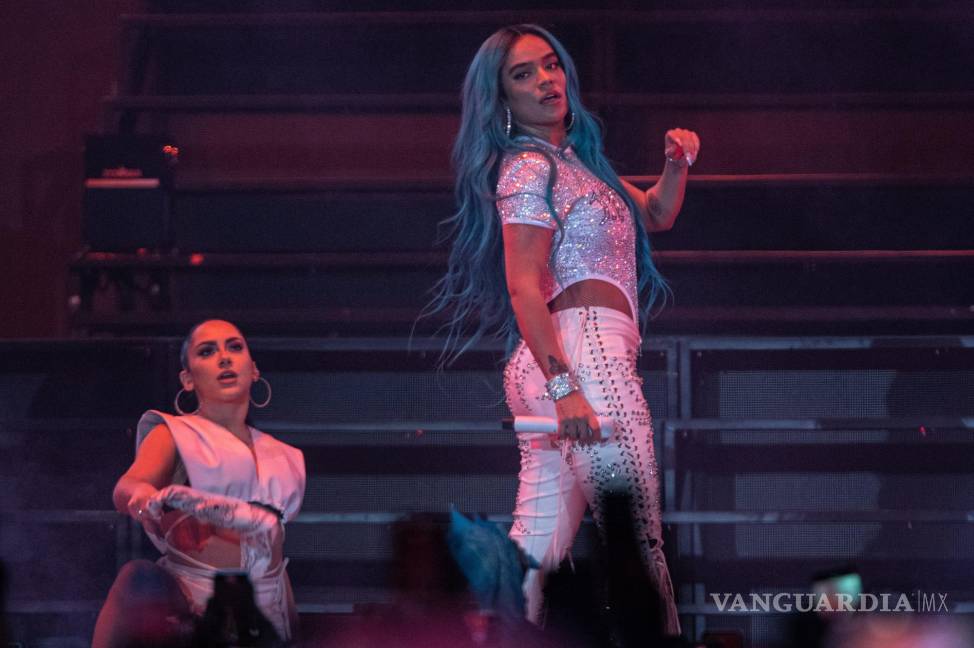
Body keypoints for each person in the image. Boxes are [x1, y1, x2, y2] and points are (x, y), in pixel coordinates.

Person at [428, 24, 699, 635]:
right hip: (581, 361)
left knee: (534, 552)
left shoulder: (576, 164)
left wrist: (674, 163)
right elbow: (523, 285)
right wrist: (566, 388)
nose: (546, 80)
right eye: (523, 74)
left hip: (559, 361)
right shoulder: (528, 168)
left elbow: (656, 213)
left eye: (550, 65)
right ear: (501, 98)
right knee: (636, 541)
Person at [92, 319, 306, 647]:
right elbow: (128, 486)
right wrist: (145, 498)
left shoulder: (283, 456)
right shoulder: (175, 434)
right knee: (137, 577)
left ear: (254, 370)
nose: (224, 358)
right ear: (188, 379)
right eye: (207, 352)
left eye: (234, 347)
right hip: (196, 615)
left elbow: (277, 566)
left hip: (262, 623)